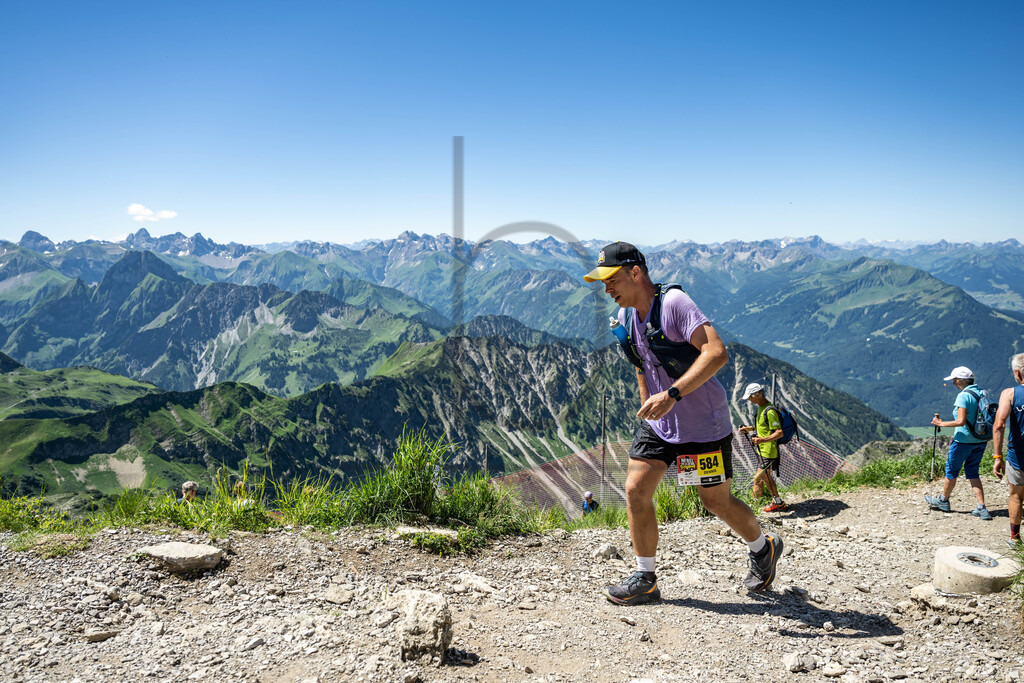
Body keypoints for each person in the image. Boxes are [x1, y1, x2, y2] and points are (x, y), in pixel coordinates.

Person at [584, 241, 783, 605]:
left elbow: (716, 352)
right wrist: (649, 401)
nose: (607, 288)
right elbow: (641, 362)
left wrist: (671, 395)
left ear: (635, 273)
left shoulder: (674, 303)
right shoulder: (628, 315)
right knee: (635, 490)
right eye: (603, 282)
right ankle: (645, 577)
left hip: (702, 426)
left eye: (611, 279)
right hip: (660, 424)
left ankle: (763, 547)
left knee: (715, 502)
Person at [925, 366, 991, 520]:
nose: (953, 383)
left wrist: (941, 424)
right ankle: (981, 507)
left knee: (952, 470)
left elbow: (961, 421)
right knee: (973, 472)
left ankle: (943, 501)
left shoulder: (963, 396)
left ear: (961, 381)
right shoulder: (982, 392)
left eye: (955, 380)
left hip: (963, 441)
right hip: (980, 440)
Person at [738, 382, 787, 512]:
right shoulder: (761, 408)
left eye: (750, 397)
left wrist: (761, 440)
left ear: (757, 395)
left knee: (758, 478)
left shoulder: (770, 411)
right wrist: (750, 428)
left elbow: (779, 432)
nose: (749, 399)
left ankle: (750, 510)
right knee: (763, 478)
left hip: (768, 451)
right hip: (763, 450)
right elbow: (764, 427)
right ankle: (777, 502)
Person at [992, 353, 1024, 545]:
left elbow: (999, 425)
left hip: (1018, 455)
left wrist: (998, 456)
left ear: (1018, 373)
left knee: (1016, 495)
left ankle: (1015, 538)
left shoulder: (1009, 394)